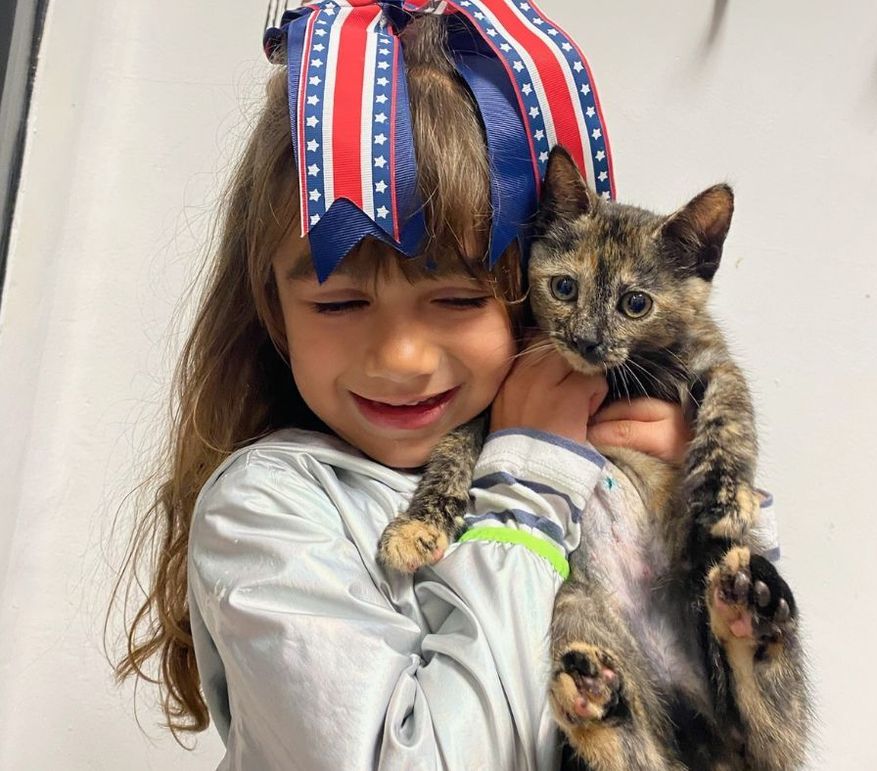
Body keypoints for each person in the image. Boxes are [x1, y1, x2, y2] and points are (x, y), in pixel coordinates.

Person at [112, 3, 693, 769]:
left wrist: (680, 513)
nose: (403, 357)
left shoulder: (579, 467)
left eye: (457, 299)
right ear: (273, 309)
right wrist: (529, 485)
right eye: (341, 302)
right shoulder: (267, 508)